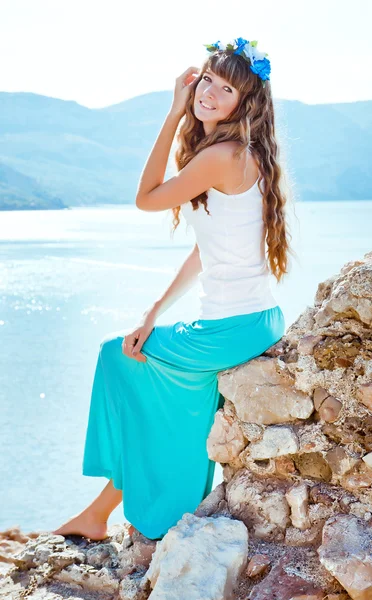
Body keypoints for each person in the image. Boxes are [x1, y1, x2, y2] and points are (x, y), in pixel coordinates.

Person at [53, 37, 293, 542]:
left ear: (243, 103)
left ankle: (107, 510)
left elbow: (145, 199)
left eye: (226, 88)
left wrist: (173, 112)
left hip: (230, 330)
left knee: (116, 357)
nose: (210, 92)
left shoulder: (222, 156)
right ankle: (97, 515)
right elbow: (207, 250)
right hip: (250, 321)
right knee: (167, 403)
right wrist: (155, 310)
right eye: (207, 79)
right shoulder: (240, 153)